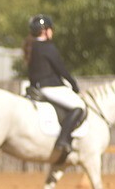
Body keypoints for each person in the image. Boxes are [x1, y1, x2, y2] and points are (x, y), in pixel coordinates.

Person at [24, 14, 84, 164]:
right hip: (50, 86)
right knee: (79, 107)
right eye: (51, 29)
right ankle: (63, 140)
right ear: (45, 31)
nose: (52, 32)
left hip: (38, 87)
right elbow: (60, 69)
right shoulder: (47, 47)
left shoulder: (32, 46)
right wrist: (73, 84)